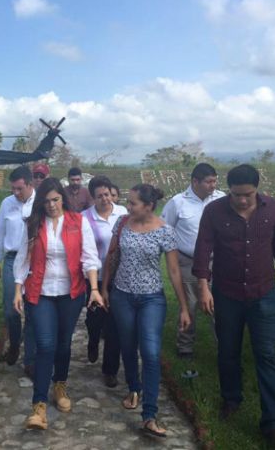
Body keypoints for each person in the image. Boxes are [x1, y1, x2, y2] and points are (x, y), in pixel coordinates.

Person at [193, 164, 275, 448]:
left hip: (264, 293)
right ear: (229, 190)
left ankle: (273, 422)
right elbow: (203, 250)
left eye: (247, 195)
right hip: (226, 293)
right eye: (236, 194)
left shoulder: (272, 208)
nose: (241, 200)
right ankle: (231, 398)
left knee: (268, 356)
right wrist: (203, 288)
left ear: (257, 189)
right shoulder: (214, 212)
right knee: (228, 351)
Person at [101, 184, 190, 439]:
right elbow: (112, 256)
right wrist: (105, 288)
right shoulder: (122, 223)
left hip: (152, 299)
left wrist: (184, 307)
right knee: (128, 347)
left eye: (133, 203)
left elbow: (174, 271)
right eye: (128, 203)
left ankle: (149, 415)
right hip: (122, 296)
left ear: (149, 206)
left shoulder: (165, 231)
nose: (128, 207)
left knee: (150, 352)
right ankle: (134, 388)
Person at [13, 177, 102, 430]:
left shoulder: (78, 222)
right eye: (46, 201)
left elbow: (90, 258)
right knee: (45, 345)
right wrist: (17, 290)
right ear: (40, 202)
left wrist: (94, 288)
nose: (51, 205)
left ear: (62, 198)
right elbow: (23, 258)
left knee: (63, 344)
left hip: (70, 293)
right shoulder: (33, 224)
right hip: (40, 293)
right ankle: (38, 406)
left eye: (55, 200)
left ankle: (60, 385)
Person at [160, 163, 225, 358]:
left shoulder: (221, 199)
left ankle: (224, 346)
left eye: (215, 181)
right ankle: (185, 346)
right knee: (189, 303)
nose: (213, 185)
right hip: (188, 262)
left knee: (220, 305)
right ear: (195, 181)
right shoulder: (178, 202)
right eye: (208, 181)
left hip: (218, 263)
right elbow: (165, 230)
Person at [0, 166, 37, 377]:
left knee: (34, 311)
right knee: (11, 309)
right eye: (13, 189)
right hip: (11, 260)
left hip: (35, 261)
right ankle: (15, 345)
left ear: (29, 184)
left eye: (19, 189)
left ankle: (30, 358)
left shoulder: (41, 203)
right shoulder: (6, 204)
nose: (15, 193)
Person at [81, 175, 128, 388]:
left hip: (118, 278)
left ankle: (110, 370)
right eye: (99, 196)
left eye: (107, 194)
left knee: (114, 326)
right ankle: (92, 341)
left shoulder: (123, 214)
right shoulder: (84, 218)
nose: (105, 199)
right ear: (92, 198)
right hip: (94, 278)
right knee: (95, 320)